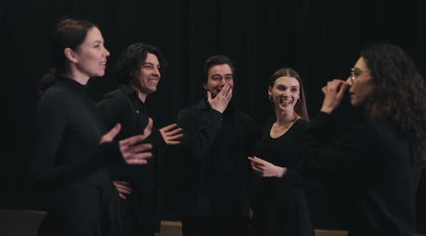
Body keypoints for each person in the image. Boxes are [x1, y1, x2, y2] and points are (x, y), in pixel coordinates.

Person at [251, 43, 426, 235]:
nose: (350, 81)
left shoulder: (372, 133)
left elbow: (310, 166)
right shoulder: (408, 130)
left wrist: (326, 110)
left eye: (357, 73)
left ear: (380, 79)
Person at [30, 19, 154, 236]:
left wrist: (107, 173)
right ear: (72, 55)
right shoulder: (56, 99)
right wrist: (100, 158)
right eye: (97, 46)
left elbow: (86, 165)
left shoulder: (87, 104)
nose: (106, 53)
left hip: (94, 221)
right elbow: (40, 178)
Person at [97, 43, 183, 236]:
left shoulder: (145, 107)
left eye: (158, 68)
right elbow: (83, 147)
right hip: (119, 214)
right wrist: (105, 184)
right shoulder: (116, 102)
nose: (156, 73)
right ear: (131, 70)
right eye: (148, 66)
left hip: (142, 214)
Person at [177, 55, 258, 236]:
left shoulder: (245, 122)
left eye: (228, 77)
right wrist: (216, 112)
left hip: (236, 213)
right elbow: (197, 151)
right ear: (205, 85)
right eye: (216, 78)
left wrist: (250, 204)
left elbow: (250, 169)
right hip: (201, 214)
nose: (223, 83)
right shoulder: (188, 116)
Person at [248, 68, 315, 236]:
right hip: (266, 210)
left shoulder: (306, 130)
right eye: (282, 88)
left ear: (299, 95)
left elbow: (312, 176)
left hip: (291, 214)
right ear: (270, 91)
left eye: (293, 89)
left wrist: (277, 171)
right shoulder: (269, 124)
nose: (287, 94)